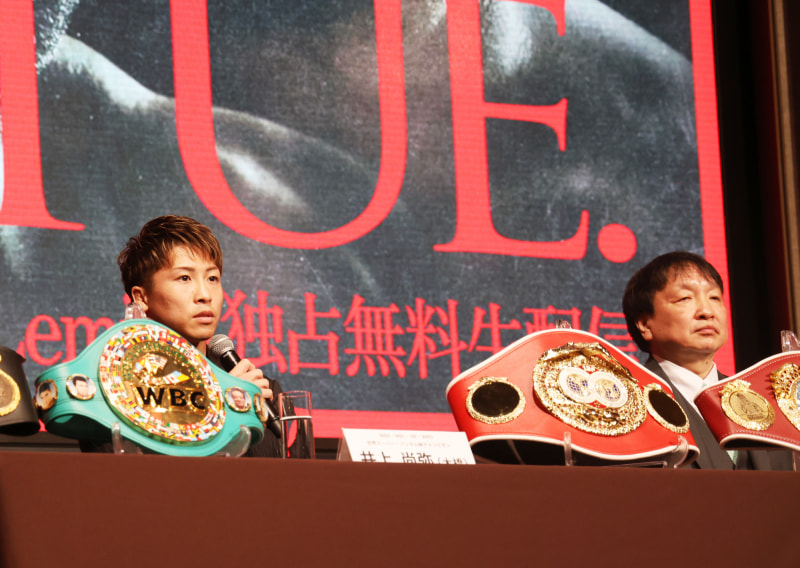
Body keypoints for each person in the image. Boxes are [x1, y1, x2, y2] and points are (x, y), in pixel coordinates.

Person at [81, 215, 284, 457]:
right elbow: (127, 475)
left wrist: (245, 407)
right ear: (141, 297)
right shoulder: (113, 390)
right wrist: (221, 409)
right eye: (184, 278)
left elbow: (277, 477)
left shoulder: (258, 389)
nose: (204, 295)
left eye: (212, 278)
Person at [623, 251, 794, 470]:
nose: (706, 312)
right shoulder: (629, 403)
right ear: (645, 324)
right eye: (685, 298)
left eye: (714, 298)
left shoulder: (769, 403)